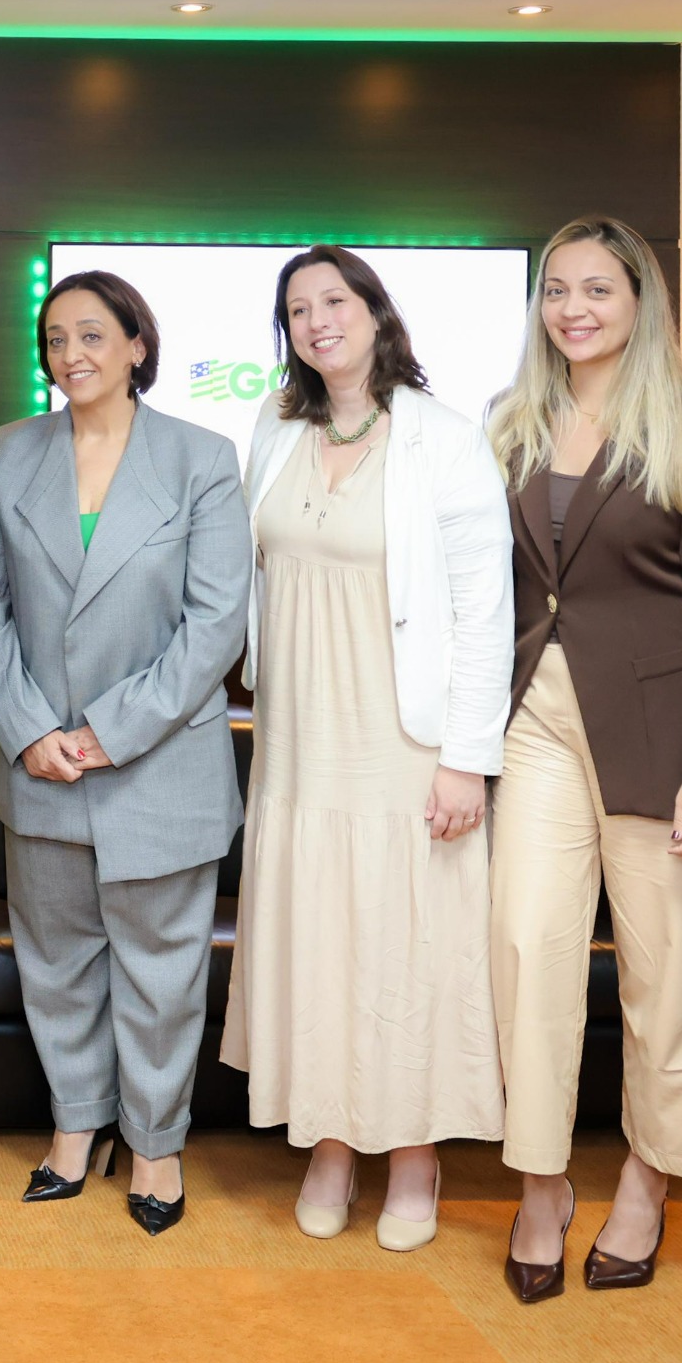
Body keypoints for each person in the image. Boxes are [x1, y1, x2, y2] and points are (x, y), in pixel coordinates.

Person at [219, 246, 511, 1252]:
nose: (315, 320)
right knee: (320, 939)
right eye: (296, 309)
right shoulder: (273, 427)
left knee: (407, 945)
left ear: (374, 313)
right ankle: (333, 1139)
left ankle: (414, 1152)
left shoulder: (441, 438)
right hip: (297, 740)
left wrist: (464, 756)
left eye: (332, 300)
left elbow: (484, 610)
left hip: (402, 740)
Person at [486, 217, 682, 1300]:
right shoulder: (509, 423)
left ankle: (648, 1177)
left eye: (597, 288)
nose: (573, 308)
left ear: (640, 300)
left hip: (657, 734)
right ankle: (541, 1181)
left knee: (664, 974)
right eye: (556, 289)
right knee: (525, 951)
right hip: (534, 717)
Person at [0, 270, 249, 1237]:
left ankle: (156, 1141)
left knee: (164, 974)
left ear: (136, 344)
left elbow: (216, 625)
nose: (72, 354)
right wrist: (32, 729)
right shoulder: (10, 452)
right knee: (57, 964)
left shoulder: (201, 457)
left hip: (158, 760)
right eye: (55, 338)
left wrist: (111, 730)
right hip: (40, 761)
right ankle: (77, 1127)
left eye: (93, 334)